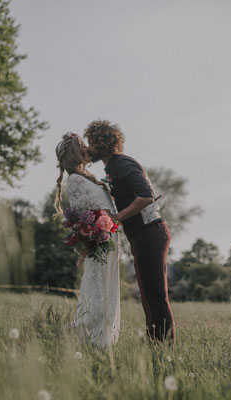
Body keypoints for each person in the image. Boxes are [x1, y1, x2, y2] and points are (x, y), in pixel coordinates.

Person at [84, 120, 175, 342]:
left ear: (101, 142)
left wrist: (116, 218)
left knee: (155, 295)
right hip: (141, 235)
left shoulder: (123, 164)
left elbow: (145, 196)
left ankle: (164, 347)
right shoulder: (113, 167)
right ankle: (156, 343)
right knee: (147, 294)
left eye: (91, 143)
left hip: (150, 233)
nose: (88, 148)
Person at [54, 132, 120, 349]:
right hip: (100, 243)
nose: (88, 148)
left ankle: (101, 343)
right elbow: (86, 215)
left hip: (110, 240)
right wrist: (101, 228)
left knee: (107, 291)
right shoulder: (74, 180)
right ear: (75, 153)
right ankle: (74, 337)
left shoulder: (86, 178)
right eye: (83, 145)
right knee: (97, 294)